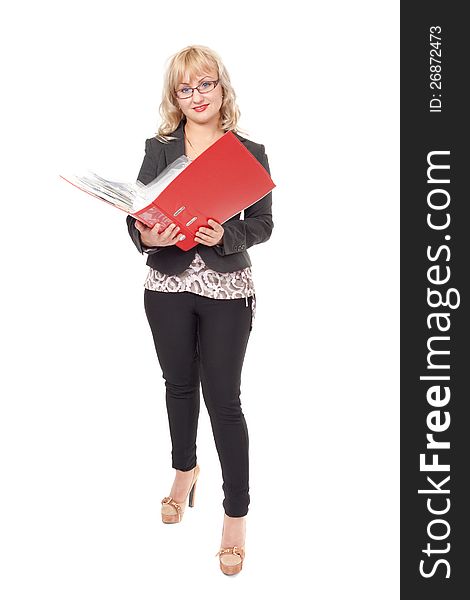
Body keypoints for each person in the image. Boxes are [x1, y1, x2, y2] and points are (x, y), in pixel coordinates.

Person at [126, 44, 273, 575]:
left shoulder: (248, 150)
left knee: (224, 400)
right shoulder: (159, 148)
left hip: (227, 290)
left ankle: (235, 517)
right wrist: (146, 231)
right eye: (185, 88)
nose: (196, 95)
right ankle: (184, 472)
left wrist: (225, 231)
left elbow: (263, 223)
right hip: (166, 284)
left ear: (221, 87)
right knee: (177, 385)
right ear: (175, 97)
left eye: (205, 83)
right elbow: (138, 212)